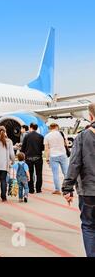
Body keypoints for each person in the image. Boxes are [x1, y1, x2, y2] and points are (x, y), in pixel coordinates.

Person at [62, 103, 95, 257]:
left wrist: (67, 188)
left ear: (91, 116)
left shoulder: (82, 137)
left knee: (88, 226)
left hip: (88, 191)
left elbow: (74, 163)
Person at [44, 123, 69, 195]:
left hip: (53, 156)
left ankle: (57, 189)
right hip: (63, 154)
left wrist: (47, 158)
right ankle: (67, 188)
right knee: (66, 172)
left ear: (50, 128)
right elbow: (66, 143)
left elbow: (46, 149)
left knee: (55, 174)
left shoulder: (47, 136)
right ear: (56, 127)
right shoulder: (62, 133)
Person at [21, 123, 45, 194]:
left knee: (30, 174)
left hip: (28, 158)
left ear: (30, 127)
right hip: (38, 157)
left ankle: (31, 189)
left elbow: (23, 148)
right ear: (36, 128)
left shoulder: (27, 136)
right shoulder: (40, 136)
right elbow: (42, 148)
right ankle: (38, 189)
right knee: (39, 174)